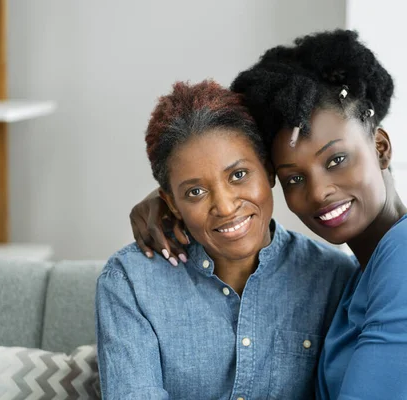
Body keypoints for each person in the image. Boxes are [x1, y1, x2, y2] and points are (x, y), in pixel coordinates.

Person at [131, 30, 407, 399]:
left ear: (380, 147)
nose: (318, 192)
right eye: (293, 177)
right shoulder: (358, 274)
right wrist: (177, 201)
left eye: (336, 160)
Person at [95, 80, 357, 400]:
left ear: (269, 171)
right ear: (171, 202)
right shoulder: (130, 282)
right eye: (196, 192)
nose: (225, 206)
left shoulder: (335, 279)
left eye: (238, 175)